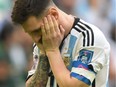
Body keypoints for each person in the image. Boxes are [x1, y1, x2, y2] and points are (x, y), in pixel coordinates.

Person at [11, 0, 110, 87]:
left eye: (37, 30)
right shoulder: (42, 41)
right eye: (30, 33)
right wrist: (43, 54)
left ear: (54, 14)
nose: (35, 39)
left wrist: (52, 50)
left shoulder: (89, 37)